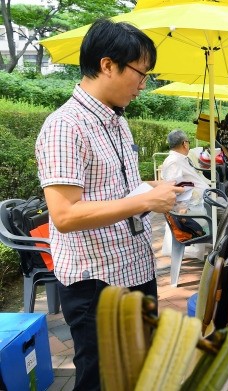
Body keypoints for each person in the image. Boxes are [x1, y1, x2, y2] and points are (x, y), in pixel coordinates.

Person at [34, 19, 183, 391]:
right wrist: (148, 199)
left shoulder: (117, 122)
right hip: (97, 281)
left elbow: (116, 188)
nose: (143, 84)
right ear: (107, 65)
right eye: (140, 72)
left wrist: (153, 188)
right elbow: (65, 215)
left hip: (133, 268)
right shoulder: (65, 127)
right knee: (102, 377)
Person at [160, 129, 212, 198]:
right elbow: (175, 188)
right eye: (188, 142)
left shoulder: (180, 158)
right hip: (194, 204)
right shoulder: (174, 162)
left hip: (203, 198)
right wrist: (193, 186)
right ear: (184, 144)